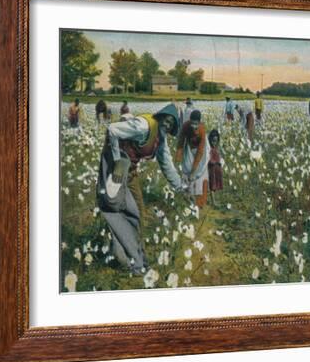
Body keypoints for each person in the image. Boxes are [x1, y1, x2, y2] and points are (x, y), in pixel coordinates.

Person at [96, 104, 185, 274]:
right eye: (166, 121)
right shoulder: (144, 125)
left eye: (171, 125)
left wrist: (180, 187)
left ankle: (136, 258)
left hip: (130, 171)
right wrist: (116, 162)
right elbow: (113, 130)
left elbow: (167, 166)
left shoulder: (161, 139)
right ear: (161, 116)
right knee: (116, 210)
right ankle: (125, 259)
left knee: (138, 213)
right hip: (116, 167)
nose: (167, 126)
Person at [175, 110, 209, 208]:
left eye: (196, 124)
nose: (194, 126)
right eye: (192, 123)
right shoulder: (186, 126)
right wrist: (177, 160)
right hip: (189, 148)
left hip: (200, 150)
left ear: (199, 122)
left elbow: (200, 153)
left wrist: (193, 171)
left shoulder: (202, 130)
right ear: (189, 121)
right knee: (186, 170)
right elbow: (180, 143)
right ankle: (187, 196)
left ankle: (200, 201)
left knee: (200, 172)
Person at [207, 129, 224, 205]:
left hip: (217, 169)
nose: (214, 143)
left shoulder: (217, 148)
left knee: (216, 185)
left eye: (216, 141)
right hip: (212, 169)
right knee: (212, 185)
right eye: (213, 141)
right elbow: (209, 159)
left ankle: (215, 200)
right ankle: (213, 201)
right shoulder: (209, 149)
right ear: (210, 140)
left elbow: (219, 156)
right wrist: (215, 162)